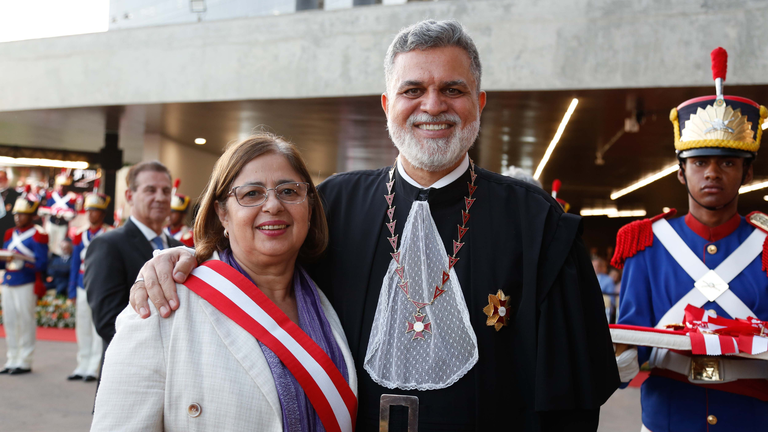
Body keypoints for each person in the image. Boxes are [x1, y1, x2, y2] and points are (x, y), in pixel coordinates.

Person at [131, 20, 618, 431]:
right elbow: (256, 263)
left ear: (479, 102)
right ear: (387, 105)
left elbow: (569, 405)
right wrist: (188, 258)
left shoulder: (539, 225)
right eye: (413, 90)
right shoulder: (333, 203)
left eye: (453, 89)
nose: (432, 105)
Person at [91, 134, 357, 431]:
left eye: (289, 190)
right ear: (222, 213)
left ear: (308, 206)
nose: (273, 205)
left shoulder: (333, 299)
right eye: (251, 194)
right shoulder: (163, 305)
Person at [611, 48, 768, 431]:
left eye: (727, 162)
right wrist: (612, 354)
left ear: (746, 173)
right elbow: (629, 356)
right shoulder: (645, 244)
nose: (712, 173)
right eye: (699, 162)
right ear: (681, 172)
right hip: (670, 418)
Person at [84, 161, 183, 356]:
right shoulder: (107, 245)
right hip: (131, 364)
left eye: (166, 191)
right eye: (150, 190)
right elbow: (108, 322)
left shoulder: (180, 249)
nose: (160, 197)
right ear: (130, 196)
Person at [0, 186, 49, 375]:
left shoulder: (38, 234)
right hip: (9, 281)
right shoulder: (9, 234)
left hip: (26, 281)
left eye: (23, 214)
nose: (18, 217)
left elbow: (42, 262)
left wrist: (23, 262)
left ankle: (25, 360)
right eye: (16, 214)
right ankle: (12, 358)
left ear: (31, 216)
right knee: (10, 321)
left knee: (25, 321)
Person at [67, 189, 112, 382]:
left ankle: (94, 366)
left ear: (102, 213)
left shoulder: (110, 233)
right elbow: (75, 263)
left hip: (101, 285)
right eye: (89, 210)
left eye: (95, 210)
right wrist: (71, 289)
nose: (91, 214)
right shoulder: (80, 234)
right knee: (82, 325)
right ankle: (81, 364)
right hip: (81, 283)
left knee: (96, 327)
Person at [163, 178, 194, 247]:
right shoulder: (161, 232)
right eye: (167, 210)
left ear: (183, 214)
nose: (169, 214)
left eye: (173, 212)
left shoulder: (190, 236)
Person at [0, 169, 20, 236]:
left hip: (8, 231)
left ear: (6, 179)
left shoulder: (15, 195)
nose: (0, 180)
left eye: (2, 177)